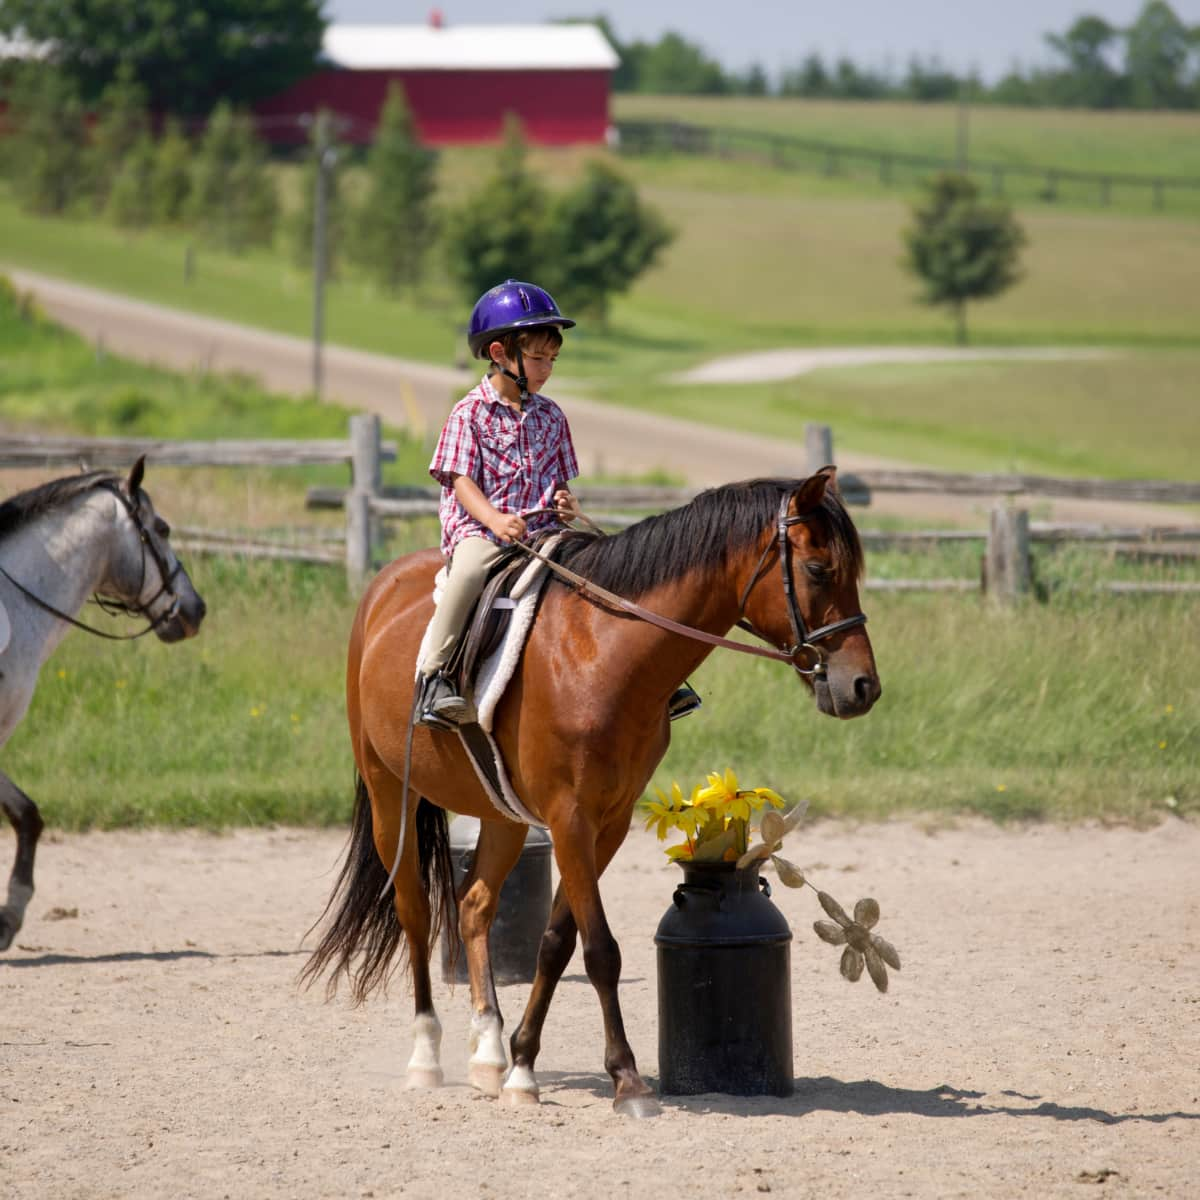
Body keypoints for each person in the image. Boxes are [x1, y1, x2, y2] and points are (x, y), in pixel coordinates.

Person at [417, 279, 582, 728]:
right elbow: (461, 481)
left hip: (545, 530)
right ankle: (435, 676)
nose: (547, 369)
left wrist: (565, 502)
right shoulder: (468, 412)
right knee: (468, 572)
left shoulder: (552, 416)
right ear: (498, 354)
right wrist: (494, 518)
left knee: (605, 566)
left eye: (552, 359)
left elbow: (560, 480)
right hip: (484, 531)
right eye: (537, 358)